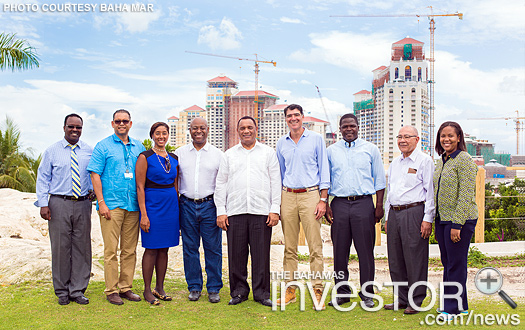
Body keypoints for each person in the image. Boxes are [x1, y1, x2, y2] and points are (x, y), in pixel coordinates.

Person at [215, 116, 281, 307]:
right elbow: (221, 183)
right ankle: (238, 292)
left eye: (249, 127)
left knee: (261, 255)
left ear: (256, 129)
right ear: (238, 131)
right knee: (236, 255)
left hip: (261, 211)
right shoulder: (228, 155)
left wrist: (274, 209)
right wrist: (221, 210)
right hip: (235, 211)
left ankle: (261, 294)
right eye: (242, 128)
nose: (246, 131)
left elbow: (276, 181)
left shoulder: (268, 153)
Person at [325, 113, 386, 308]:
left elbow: (380, 181)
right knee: (339, 252)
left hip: (363, 204)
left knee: (365, 252)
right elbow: (325, 181)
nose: (349, 129)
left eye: (352, 126)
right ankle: (342, 293)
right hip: (339, 205)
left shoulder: (370, 149)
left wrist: (379, 206)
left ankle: (367, 293)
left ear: (358, 127)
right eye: (345, 126)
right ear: (340, 128)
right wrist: (325, 204)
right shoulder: (331, 151)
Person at [87, 109, 146, 305]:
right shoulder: (102, 146)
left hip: (133, 205)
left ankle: (125, 287)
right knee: (111, 251)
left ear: (131, 123)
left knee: (129, 250)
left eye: (125, 121)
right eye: (118, 121)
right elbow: (94, 174)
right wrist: (101, 202)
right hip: (111, 205)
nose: (122, 124)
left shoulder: (139, 146)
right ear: (112, 124)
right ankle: (111, 290)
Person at [275, 104, 330, 310]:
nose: (293, 118)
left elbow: (324, 169)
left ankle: (317, 291)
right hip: (287, 195)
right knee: (289, 248)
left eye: (296, 115)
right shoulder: (281, 143)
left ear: (303, 117)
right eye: (289, 116)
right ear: (286, 119)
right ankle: (290, 291)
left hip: (310, 195)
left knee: (315, 247)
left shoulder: (316, 139)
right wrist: (278, 201)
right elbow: (279, 173)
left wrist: (323, 199)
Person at [35, 114, 93, 305]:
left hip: (83, 203)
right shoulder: (52, 151)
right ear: (64, 127)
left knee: (82, 248)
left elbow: (93, 175)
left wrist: (93, 192)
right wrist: (43, 203)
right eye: (71, 127)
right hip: (59, 203)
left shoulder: (89, 151)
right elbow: (43, 177)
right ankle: (61, 291)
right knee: (60, 247)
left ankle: (77, 290)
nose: (75, 130)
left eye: (78, 127)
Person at [383, 126, 435, 314]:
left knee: (415, 258)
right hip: (395, 213)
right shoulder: (395, 162)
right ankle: (402, 298)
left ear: (417, 139)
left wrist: (427, 219)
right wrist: (388, 217)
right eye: (399, 137)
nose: (402, 140)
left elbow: (430, 191)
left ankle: (416, 300)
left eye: (407, 137)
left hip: (414, 212)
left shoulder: (425, 161)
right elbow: (391, 191)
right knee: (395, 258)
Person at [175, 117, 223, 303]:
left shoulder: (218, 154)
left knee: (213, 248)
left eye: (202, 128)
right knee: (189, 248)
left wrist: (221, 210)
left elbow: (222, 183)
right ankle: (194, 286)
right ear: (190, 130)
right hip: (186, 205)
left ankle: (213, 288)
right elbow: (175, 180)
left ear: (208, 129)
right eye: (195, 128)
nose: (198, 131)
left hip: (210, 205)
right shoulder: (179, 153)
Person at [433, 121, 478, 320]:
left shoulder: (465, 160)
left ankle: (451, 309)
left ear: (459, 137)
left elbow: (466, 194)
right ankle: (460, 306)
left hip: (460, 221)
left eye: (450, 136)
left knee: (455, 264)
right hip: (443, 220)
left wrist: (457, 225)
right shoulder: (443, 159)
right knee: (449, 262)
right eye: (443, 136)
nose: (446, 139)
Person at [136, 122, 179, 305]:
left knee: (164, 248)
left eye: (164, 133)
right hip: (152, 206)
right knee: (152, 248)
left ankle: (160, 288)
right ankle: (147, 290)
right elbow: (139, 186)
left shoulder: (174, 157)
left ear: (168, 135)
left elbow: (177, 184)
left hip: (171, 206)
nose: (161, 136)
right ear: (152, 135)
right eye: (157, 133)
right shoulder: (145, 157)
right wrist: (144, 215)